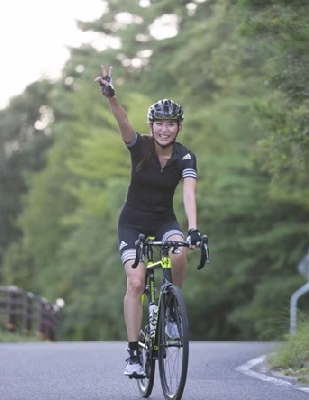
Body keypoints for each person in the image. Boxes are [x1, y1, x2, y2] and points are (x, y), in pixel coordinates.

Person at [94, 65, 203, 378]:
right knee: (136, 282)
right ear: (151, 125)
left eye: (171, 124)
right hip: (132, 224)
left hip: (164, 221)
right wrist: (111, 96)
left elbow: (189, 194)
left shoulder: (185, 157)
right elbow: (122, 120)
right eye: (159, 124)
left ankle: (172, 309)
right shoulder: (139, 146)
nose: (165, 130)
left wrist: (193, 229)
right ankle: (132, 354)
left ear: (179, 128)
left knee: (179, 253)